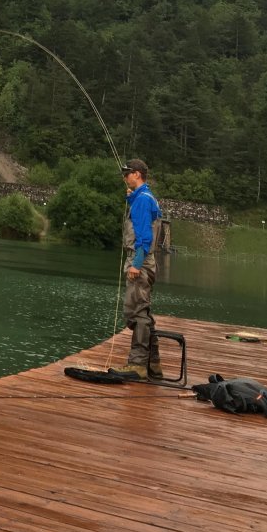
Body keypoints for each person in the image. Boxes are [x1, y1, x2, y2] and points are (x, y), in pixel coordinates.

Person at [111, 158, 162, 380]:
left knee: (136, 313)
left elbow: (145, 236)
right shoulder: (146, 197)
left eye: (127, 173)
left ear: (137, 174)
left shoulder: (142, 200)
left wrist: (136, 264)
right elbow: (145, 222)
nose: (125, 177)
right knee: (142, 311)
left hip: (140, 260)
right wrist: (131, 198)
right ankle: (153, 363)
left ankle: (138, 364)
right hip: (146, 261)